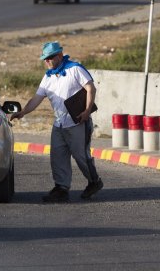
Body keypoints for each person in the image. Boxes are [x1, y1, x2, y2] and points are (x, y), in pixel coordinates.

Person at [9, 41, 103, 203]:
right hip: (59, 124)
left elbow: (90, 89)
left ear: (59, 55)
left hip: (77, 122)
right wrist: (23, 112)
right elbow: (36, 99)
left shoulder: (74, 69)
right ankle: (61, 188)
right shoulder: (48, 78)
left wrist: (87, 112)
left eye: (50, 58)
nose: (47, 61)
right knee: (57, 157)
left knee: (81, 157)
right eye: (45, 59)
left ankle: (94, 181)